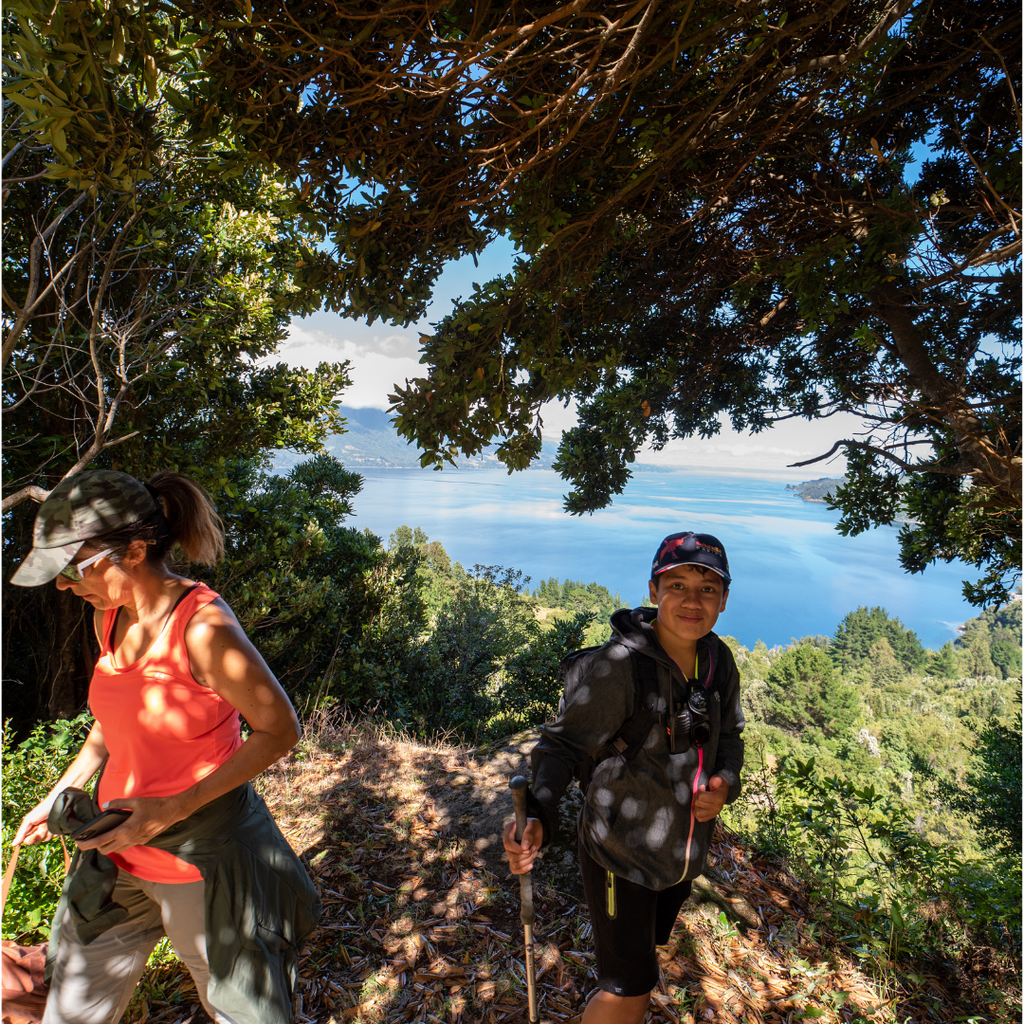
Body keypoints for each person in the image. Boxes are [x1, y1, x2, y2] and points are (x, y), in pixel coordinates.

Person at [11, 469, 321, 1024]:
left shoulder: (203, 631)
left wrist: (171, 809)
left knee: (238, 1009)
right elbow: (112, 723)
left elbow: (281, 732)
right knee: (70, 1012)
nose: (62, 585)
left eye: (73, 569)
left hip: (201, 861)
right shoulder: (109, 613)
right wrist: (64, 788)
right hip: (115, 848)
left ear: (132, 550)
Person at [503, 531, 745, 1024]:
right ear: (654, 592)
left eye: (706, 588)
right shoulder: (620, 667)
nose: (692, 601)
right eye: (677, 585)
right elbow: (563, 745)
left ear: (724, 598)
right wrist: (540, 815)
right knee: (628, 985)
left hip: (679, 857)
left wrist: (726, 782)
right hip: (620, 854)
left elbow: (731, 738)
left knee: (642, 957)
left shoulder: (718, 662)